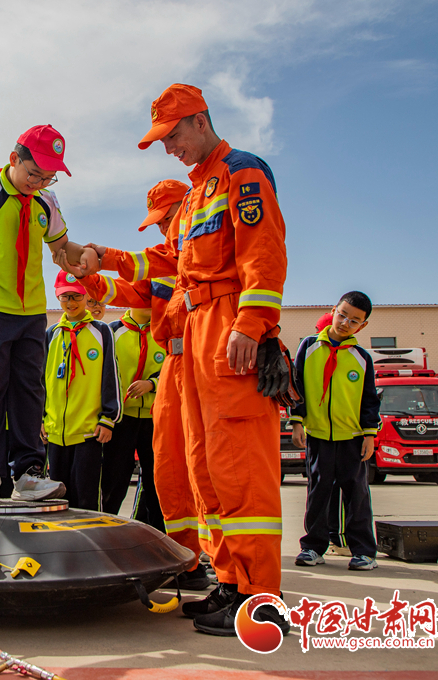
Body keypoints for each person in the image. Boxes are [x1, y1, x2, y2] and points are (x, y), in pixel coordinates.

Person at [77, 84, 289, 635]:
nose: (168, 147)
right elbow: (170, 262)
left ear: (200, 121)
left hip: (225, 326)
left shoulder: (242, 173)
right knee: (206, 467)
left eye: (173, 135)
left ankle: (260, 597)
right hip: (196, 330)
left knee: (240, 465)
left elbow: (263, 250)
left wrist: (251, 323)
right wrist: (104, 258)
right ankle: (230, 582)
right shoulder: (196, 193)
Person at [74, 179, 211, 591]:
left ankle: (205, 559)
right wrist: (88, 276)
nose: (162, 228)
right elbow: (128, 291)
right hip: (175, 364)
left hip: (202, 361)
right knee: (169, 470)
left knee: (197, 467)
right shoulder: (166, 266)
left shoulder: (198, 249)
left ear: (185, 210)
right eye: (158, 222)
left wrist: (104, 257)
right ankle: (185, 561)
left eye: (167, 218)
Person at [0, 124, 97, 506]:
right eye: (34, 174)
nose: (39, 182)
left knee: (30, 393)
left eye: (48, 177)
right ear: (14, 160)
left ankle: (29, 474)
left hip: (31, 312)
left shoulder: (46, 202)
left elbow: (61, 246)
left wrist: (86, 258)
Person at [291, 291, 381, 571]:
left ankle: (364, 551)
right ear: (333, 310)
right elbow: (297, 389)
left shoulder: (362, 357)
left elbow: (369, 400)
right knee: (318, 491)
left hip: (353, 438)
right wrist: (296, 422)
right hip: (318, 436)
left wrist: (369, 435)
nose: (345, 322)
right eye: (342, 314)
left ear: (362, 326)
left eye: (354, 320)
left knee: (357, 494)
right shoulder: (308, 347)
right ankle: (313, 548)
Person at [42, 272, 119, 510]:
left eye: (76, 296)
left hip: (88, 432)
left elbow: (111, 376)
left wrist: (108, 418)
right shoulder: (51, 334)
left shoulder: (101, 331)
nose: (71, 303)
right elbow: (40, 382)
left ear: (86, 296)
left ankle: (88, 544)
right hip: (54, 433)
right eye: (65, 297)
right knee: (57, 498)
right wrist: (41, 419)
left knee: (85, 498)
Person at [104, 305, 165, 527]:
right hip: (121, 419)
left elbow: (174, 365)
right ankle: (105, 530)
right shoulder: (111, 332)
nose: (148, 303)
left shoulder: (164, 331)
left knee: (155, 481)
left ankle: (154, 533)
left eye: (152, 298)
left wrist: (152, 384)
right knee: (114, 479)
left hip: (154, 418)